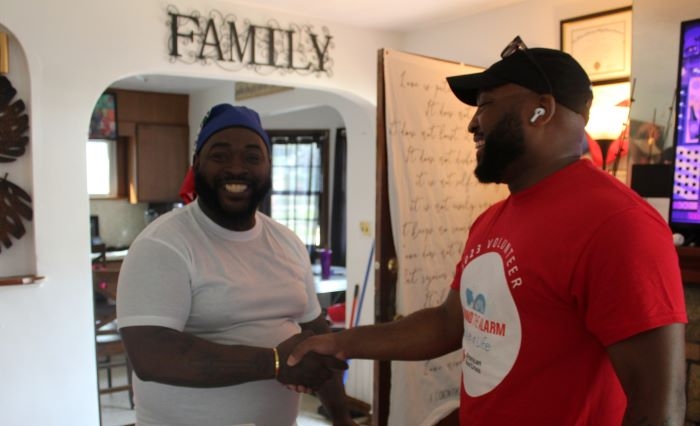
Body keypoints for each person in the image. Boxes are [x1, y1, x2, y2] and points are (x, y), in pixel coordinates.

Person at [289, 36, 688, 425]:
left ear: (542, 110)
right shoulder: (493, 219)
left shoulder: (618, 224)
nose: (472, 124)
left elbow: (658, 409)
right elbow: (449, 323)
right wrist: (341, 343)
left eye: (488, 105)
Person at [117, 104, 355, 426]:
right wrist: (273, 362)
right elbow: (152, 355)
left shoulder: (287, 242)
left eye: (252, 157)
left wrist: (342, 418)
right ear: (197, 164)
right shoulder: (164, 244)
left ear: (268, 166)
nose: (236, 168)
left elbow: (317, 340)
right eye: (220, 155)